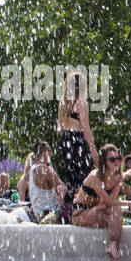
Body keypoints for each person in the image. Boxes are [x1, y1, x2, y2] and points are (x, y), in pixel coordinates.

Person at [71, 143, 130, 261]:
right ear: (104, 162)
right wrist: (129, 203)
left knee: (116, 211)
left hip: (96, 211)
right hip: (81, 214)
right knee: (116, 214)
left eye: (118, 158)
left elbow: (112, 202)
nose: (116, 162)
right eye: (112, 159)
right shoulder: (95, 177)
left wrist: (98, 208)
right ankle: (114, 256)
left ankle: (113, 248)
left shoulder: (118, 176)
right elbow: (109, 202)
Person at [56, 71, 97, 221]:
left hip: (66, 142)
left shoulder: (63, 104)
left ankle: (68, 209)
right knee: (86, 178)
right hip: (77, 141)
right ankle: (82, 209)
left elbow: (60, 128)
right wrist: (93, 150)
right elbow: (85, 128)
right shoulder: (81, 103)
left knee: (73, 178)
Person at [21, 142, 66, 223]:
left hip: (38, 214)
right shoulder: (46, 170)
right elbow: (63, 189)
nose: (51, 154)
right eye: (50, 151)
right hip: (51, 214)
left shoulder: (31, 170)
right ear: (45, 152)